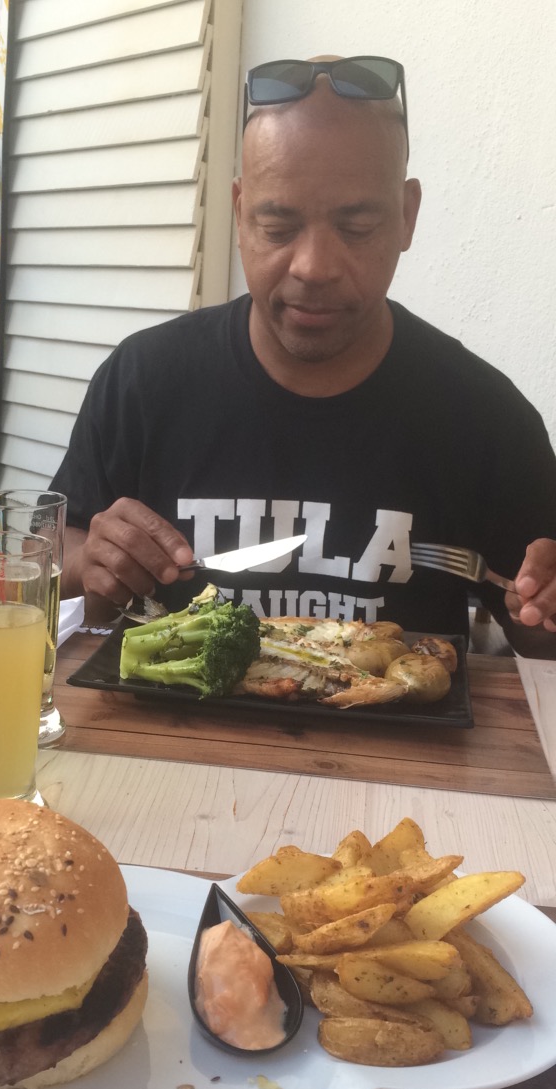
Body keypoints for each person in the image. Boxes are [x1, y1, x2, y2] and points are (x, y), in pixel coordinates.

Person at [51, 55, 556, 655]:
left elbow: (534, 631)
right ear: (240, 212)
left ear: (406, 215)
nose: (314, 267)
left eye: (357, 227)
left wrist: (543, 611)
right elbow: (53, 549)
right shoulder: (143, 380)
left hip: (398, 717)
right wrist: (87, 560)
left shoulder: (484, 418)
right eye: (278, 227)